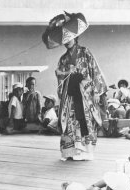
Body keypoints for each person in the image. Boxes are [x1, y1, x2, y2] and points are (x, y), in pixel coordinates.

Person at [42, 12, 107, 160]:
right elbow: (59, 74)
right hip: (70, 94)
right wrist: (65, 72)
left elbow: (94, 70)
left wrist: (97, 91)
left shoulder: (85, 52)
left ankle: (85, 151)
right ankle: (70, 151)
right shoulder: (63, 59)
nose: (67, 41)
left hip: (85, 93)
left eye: (69, 38)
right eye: (65, 40)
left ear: (75, 37)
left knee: (85, 119)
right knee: (70, 121)